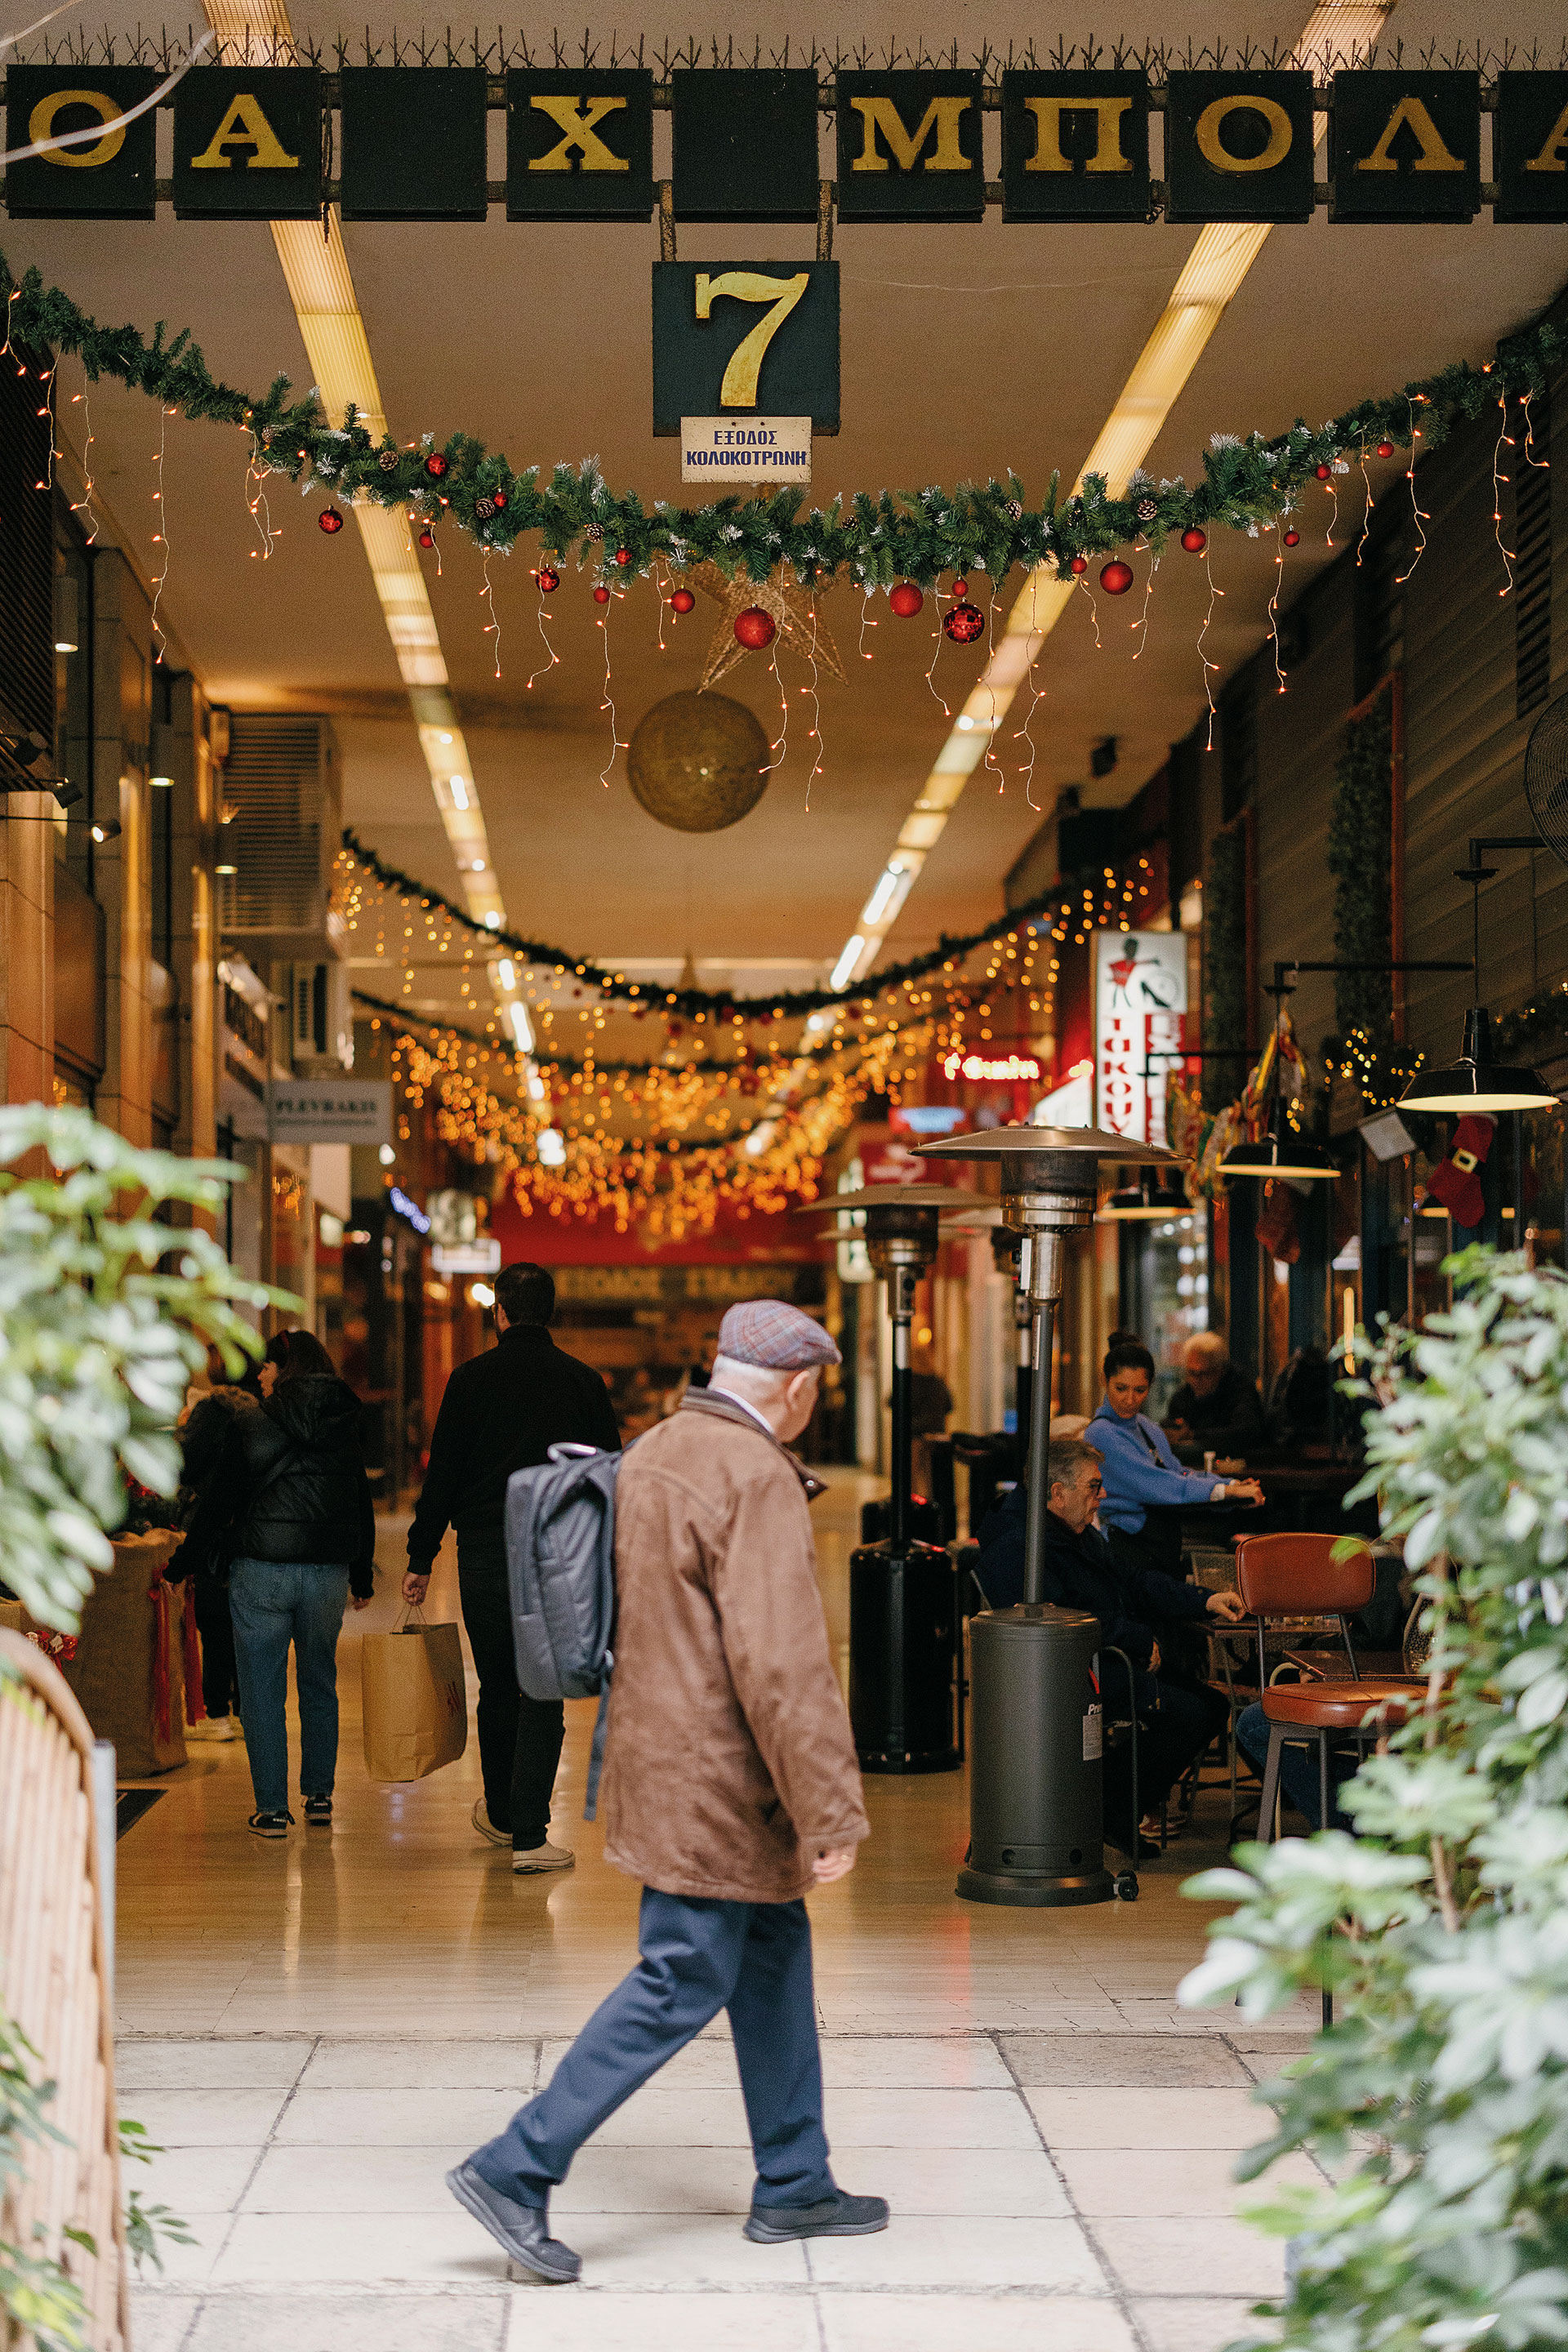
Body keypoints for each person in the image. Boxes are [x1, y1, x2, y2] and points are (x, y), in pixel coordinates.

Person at [446, 1298, 886, 2284]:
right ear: (798, 1386)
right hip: (719, 1778)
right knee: (680, 1975)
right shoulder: (754, 1474)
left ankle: (795, 2180)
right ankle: (515, 2167)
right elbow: (783, 1664)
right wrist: (830, 1809)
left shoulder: (654, 1450)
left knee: (772, 1957)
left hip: (660, 1754)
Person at [403, 1260, 621, 1874]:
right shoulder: (582, 1382)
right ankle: (529, 1834)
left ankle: (502, 1814)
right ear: (548, 1314)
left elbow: (443, 1473)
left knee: (497, 1684)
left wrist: (421, 1556)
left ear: (499, 1312)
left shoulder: (469, 1380)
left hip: (484, 1550)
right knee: (541, 1689)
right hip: (556, 1554)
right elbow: (609, 1475)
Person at [978, 1437, 1245, 1850]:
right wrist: (1136, 1640)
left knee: (1211, 1705)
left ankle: (1109, 1806)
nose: (1102, 1497)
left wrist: (1203, 1599)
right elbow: (1054, 1623)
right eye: (1093, 1487)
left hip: (1104, 1657)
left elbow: (1132, 1579)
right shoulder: (1018, 1546)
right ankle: (1108, 1808)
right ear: (1057, 1493)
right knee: (1188, 1713)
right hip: (1061, 1676)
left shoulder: (1072, 1531)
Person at [173, 1327, 375, 1837]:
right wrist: (360, 1573)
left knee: (262, 1689)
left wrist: (182, 1564)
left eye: (266, 1366)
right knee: (319, 1680)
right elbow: (358, 1502)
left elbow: (218, 1503)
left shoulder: (250, 1424)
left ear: (283, 1369)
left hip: (261, 1569)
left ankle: (272, 1809)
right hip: (326, 1573)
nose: (260, 1375)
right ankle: (320, 1795)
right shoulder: (342, 1424)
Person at [1092, 1339, 1263, 1580]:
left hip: (1159, 1545)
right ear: (1104, 1381)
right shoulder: (1101, 1433)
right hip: (1127, 1551)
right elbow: (1157, 1484)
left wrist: (1232, 1485)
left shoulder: (1146, 1427)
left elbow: (1179, 1473)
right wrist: (1225, 1491)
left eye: (1139, 1390)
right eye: (1121, 1388)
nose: (1130, 1399)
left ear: (1151, 1385)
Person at [172, 1370, 261, 1742]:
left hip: (212, 1525)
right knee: (244, 1622)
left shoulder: (210, 1411)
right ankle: (242, 1709)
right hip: (251, 1529)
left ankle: (216, 1711)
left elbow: (185, 1463)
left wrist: (184, 1429)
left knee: (213, 1622)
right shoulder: (262, 1410)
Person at [1163, 1331, 1267, 1461]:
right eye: (1191, 1373)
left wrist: (1193, 1435)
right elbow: (1172, 1421)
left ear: (1220, 1370)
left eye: (1203, 1374)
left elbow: (1245, 1432)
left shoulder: (1240, 1390)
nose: (1196, 1380)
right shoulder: (1184, 1394)